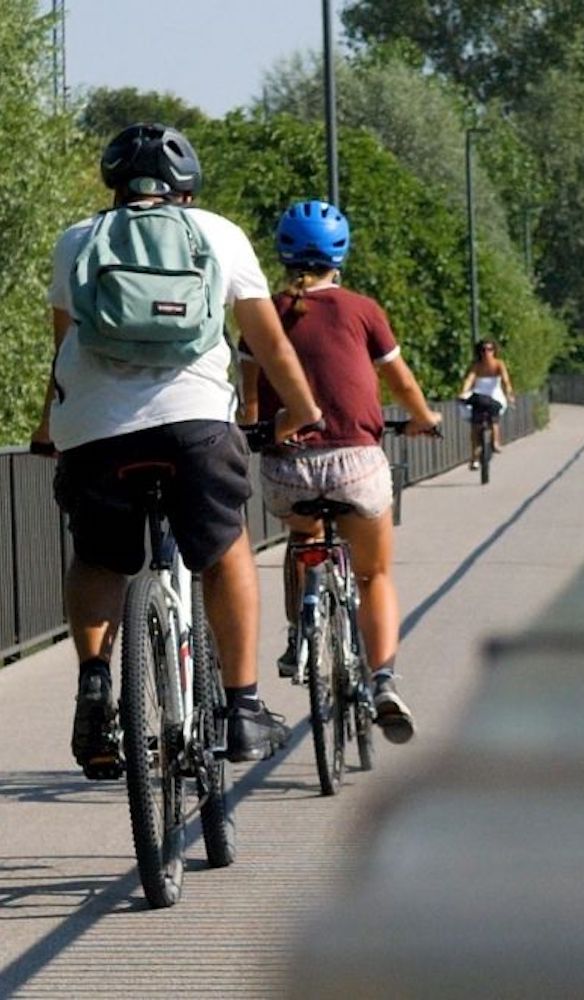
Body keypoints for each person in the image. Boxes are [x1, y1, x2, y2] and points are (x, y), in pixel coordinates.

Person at [31, 122, 324, 770]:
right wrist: (302, 409)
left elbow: (64, 351)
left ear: (114, 183)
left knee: (101, 558)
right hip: (196, 424)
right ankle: (243, 711)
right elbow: (268, 343)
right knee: (223, 551)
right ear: (186, 187)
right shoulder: (219, 235)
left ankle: (95, 688)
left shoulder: (77, 240)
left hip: (96, 430)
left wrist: (49, 428)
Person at [241, 199, 441, 745]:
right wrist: (425, 418)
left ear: (282, 251)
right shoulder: (363, 309)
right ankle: (382, 681)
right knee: (374, 574)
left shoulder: (262, 312)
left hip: (288, 469)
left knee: (301, 537)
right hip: (356, 464)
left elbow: (249, 399)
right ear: (341, 253)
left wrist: (255, 429)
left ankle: (300, 628)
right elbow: (399, 382)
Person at [458, 339, 515, 469]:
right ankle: (474, 457)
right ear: (480, 351)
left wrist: (509, 393)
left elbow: (506, 380)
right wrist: (463, 391)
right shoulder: (477, 365)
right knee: (475, 426)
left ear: (494, 351)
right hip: (478, 394)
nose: (486, 353)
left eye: (490, 349)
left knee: (494, 416)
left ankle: (495, 442)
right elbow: (470, 379)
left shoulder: (498, 364)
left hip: (494, 394)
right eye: (483, 350)